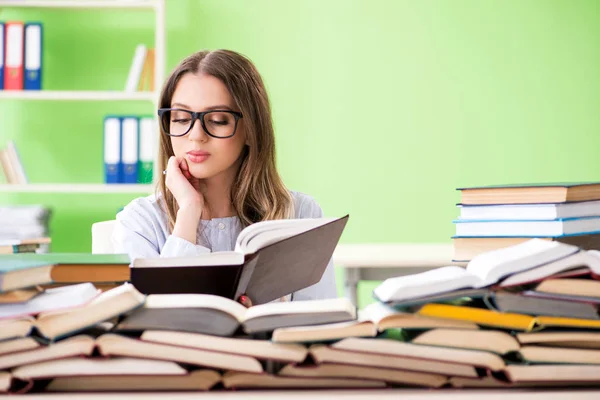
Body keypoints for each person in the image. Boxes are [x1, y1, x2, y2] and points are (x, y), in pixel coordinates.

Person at [112, 49, 336, 302]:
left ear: (251, 130)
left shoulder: (301, 214)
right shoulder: (140, 221)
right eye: (181, 118)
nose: (196, 134)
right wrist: (188, 212)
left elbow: (320, 323)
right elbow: (157, 321)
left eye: (218, 120)